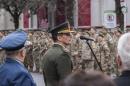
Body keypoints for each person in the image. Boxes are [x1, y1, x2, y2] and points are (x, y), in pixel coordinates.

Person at [42, 22, 74, 86]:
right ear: (59, 37)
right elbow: (66, 82)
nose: (70, 36)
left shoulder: (48, 52)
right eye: (67, 34)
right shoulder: (63, 55)